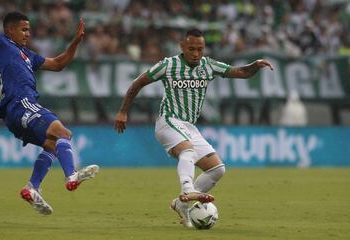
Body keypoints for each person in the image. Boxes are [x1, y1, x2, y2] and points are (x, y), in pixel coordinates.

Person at [114, 28, 273, 227]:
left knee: (217, 169)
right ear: (182, 47)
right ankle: (188, 190)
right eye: (191, 49)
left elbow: (241, 72)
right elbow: (138, 83)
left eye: (200, 49)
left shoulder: (209, 66)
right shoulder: (168, 65)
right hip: (168, 121)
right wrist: (123, 111)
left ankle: (181, 205)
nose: (196, 54)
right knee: (187, 150)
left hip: (189, 127)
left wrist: (255, 65)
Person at [0, 12, 99, 215]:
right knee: (63, 133)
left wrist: (75, 43)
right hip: (20, 103)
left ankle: (32, 187)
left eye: (29, 29)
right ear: (9, 30)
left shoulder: (27, 54)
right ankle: (71, 176)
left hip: (15, 113)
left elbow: (58, 64)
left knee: (53, 144)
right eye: (23, 29)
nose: (28, 34)